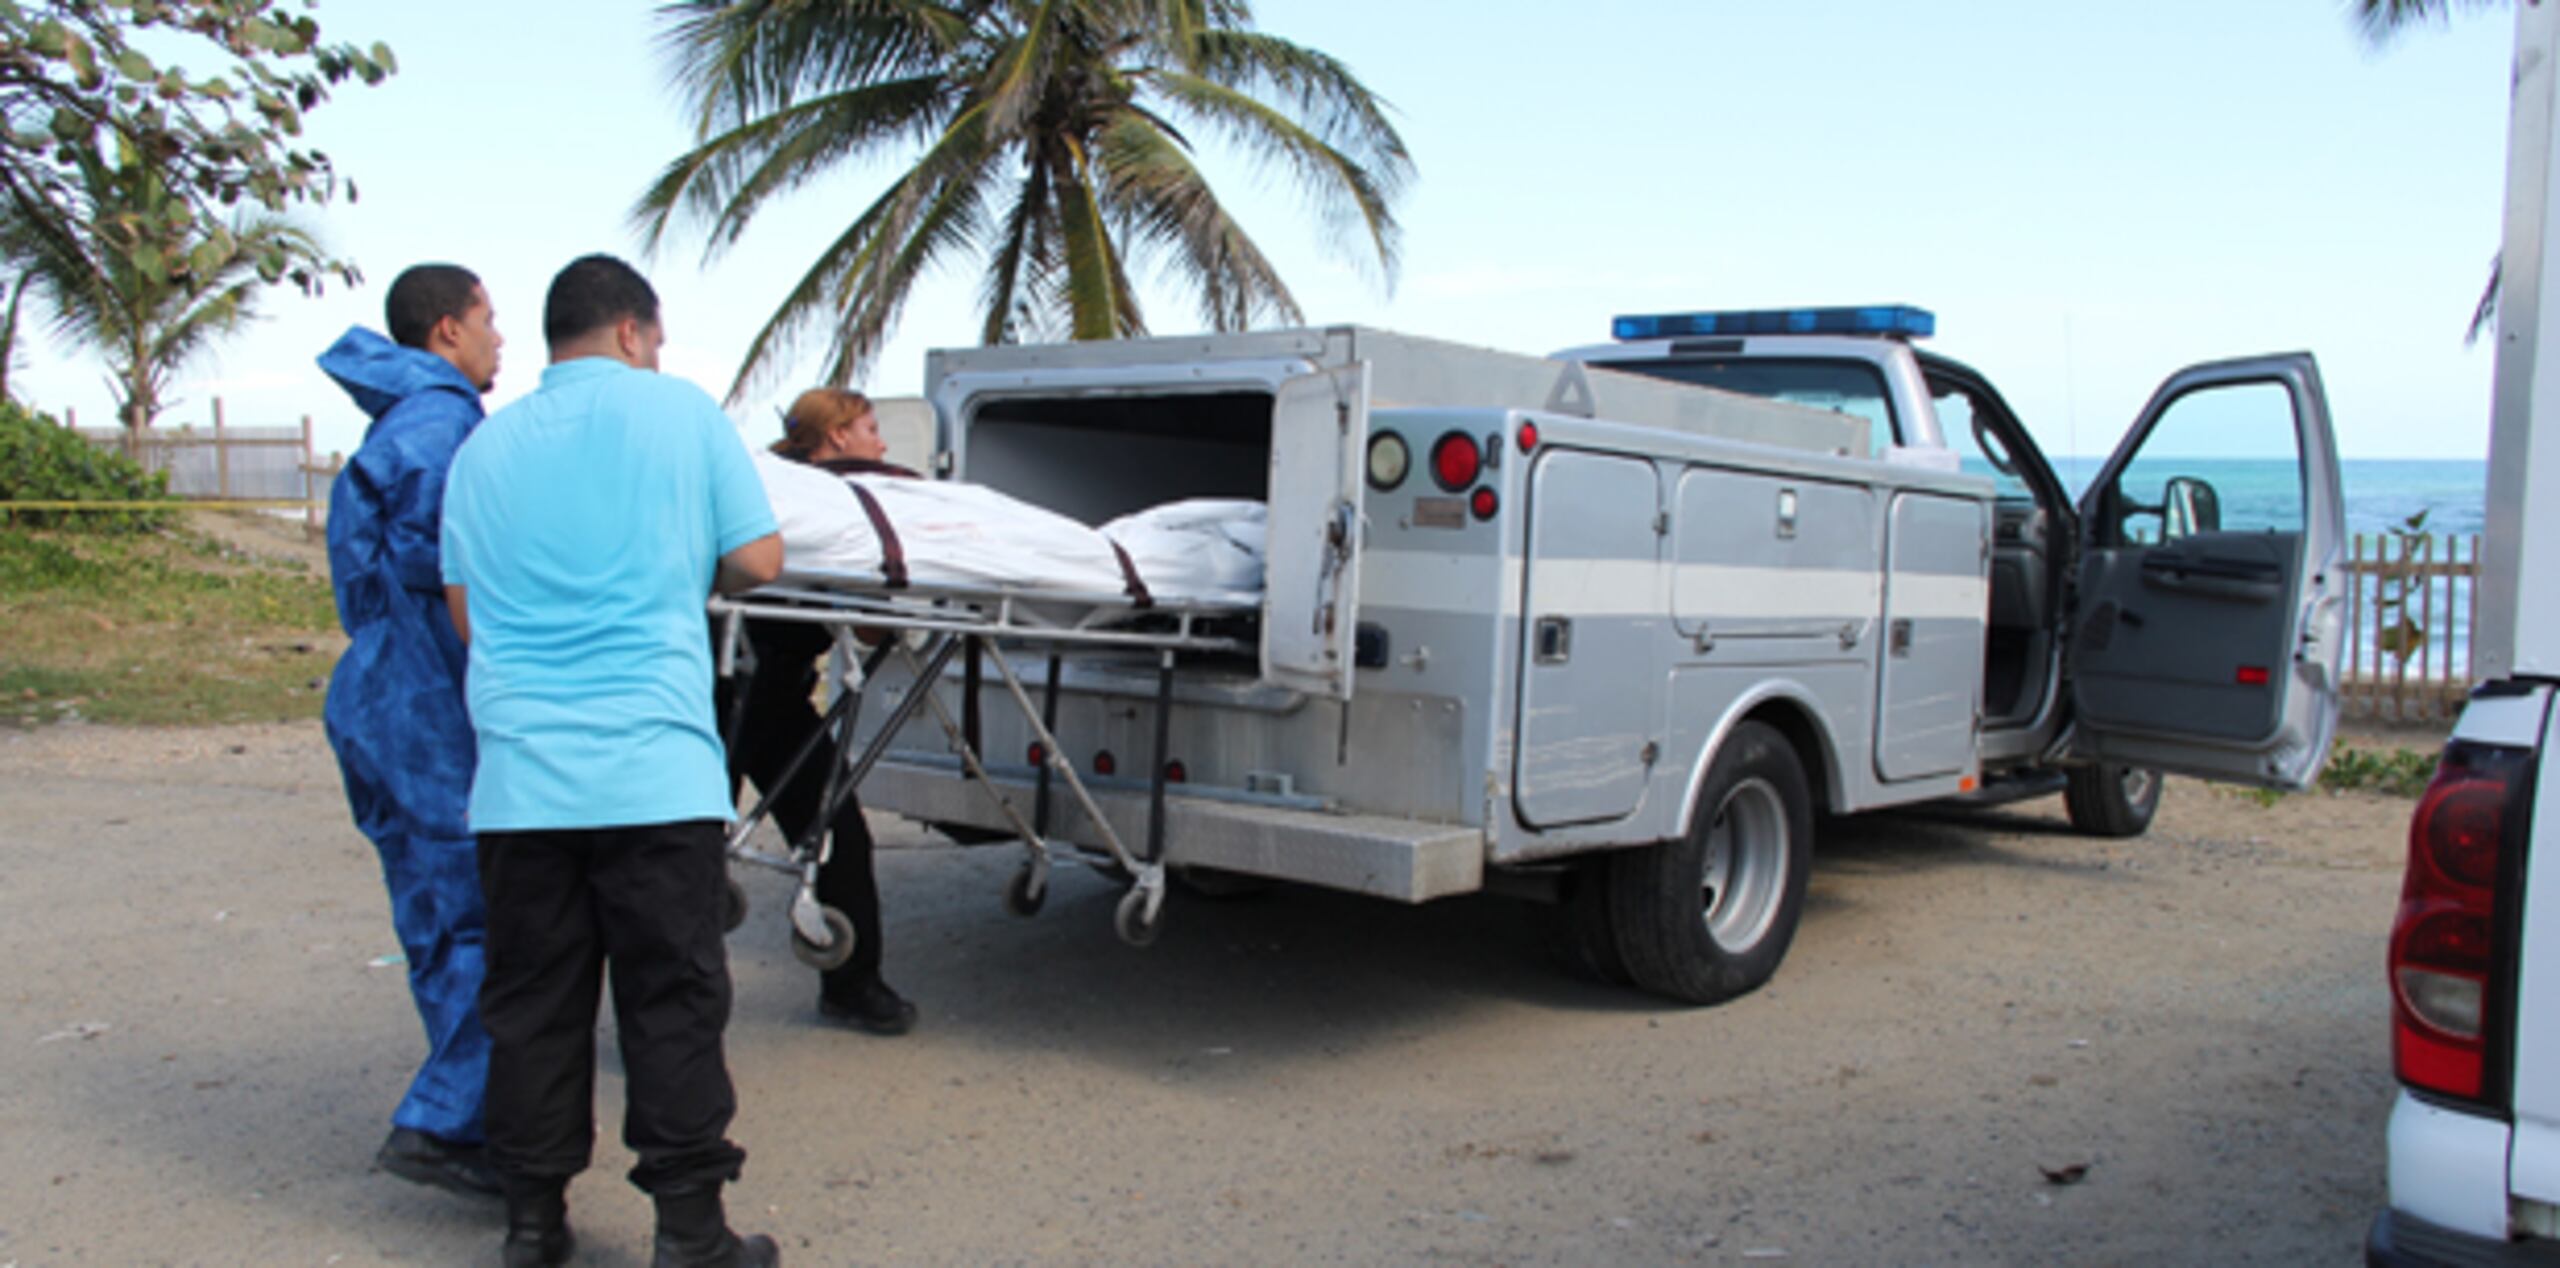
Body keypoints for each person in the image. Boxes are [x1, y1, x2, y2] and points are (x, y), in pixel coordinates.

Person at [440, 254, 784, 1268]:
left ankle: (532, 1225)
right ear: (634, 332)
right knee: (669, 1000)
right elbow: (759, 557)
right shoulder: (678, 414)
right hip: (653, 770)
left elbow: (466, 613)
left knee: (532, 1005)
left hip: (519, 783)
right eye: (659, 339)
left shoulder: (484, 449)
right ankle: (688, 1231)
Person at [316, 263, 505, 1199]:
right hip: (429, 698)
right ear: (445, 332)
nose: (498, 340)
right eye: (488, 321)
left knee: (437, 918)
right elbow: (457, 569)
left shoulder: (395, 423)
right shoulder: (443, 429)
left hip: (380, 691)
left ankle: (460, 1110)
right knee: (480, 914)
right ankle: (445, 1123)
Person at [722, 387, 918, 1035]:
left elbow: (865, 632)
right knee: (684, 856)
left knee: (840, 833)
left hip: (777, 695)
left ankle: (853, 984)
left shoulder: (850, 515)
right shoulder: (788, 499)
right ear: (835, 438)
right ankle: (675, 1008)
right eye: (870, 428)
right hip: (714, 693)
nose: (882, 443)